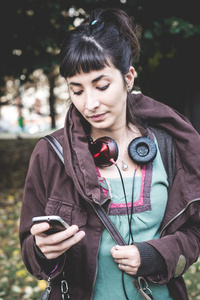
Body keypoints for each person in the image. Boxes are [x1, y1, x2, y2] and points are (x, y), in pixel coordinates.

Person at [19, 8, 200, 300]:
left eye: (101, 85)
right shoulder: (50, 154)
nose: (90, 103)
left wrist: (156, 256)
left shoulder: (170, 145)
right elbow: (29, 247)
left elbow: (194, 232)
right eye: (76, 91)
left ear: (128, 78)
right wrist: (41, 251)